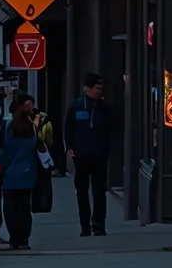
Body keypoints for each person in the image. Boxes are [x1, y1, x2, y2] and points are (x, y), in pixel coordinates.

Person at [0, 108, 47, 250]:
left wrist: (0, 169)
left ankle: (14, 237)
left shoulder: (11, 132)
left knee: (11, 208)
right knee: (25, 208)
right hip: (28, 174)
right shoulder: (32, 133)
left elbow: (7, 153)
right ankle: (24, 238)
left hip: (11, 176)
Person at [67, 73, 114, 236]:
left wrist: (107, 148)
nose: (99, 91)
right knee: (82, 191)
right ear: (87, 89)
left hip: (99, 155)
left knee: (99, 191)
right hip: (81, 155)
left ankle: (99, 223)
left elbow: (111, 129)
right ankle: (85, 225)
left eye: (101, 88)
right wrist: (70, 148)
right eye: (96, 88)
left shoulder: (104, 108)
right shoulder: (77, 106)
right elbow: (69, 129)